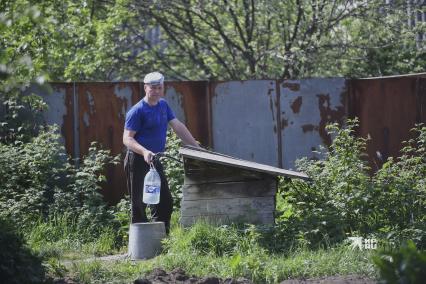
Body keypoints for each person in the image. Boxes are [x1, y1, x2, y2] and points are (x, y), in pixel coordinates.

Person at [123, 71, 199, 234]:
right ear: (145, 88)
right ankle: (140, 247)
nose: (156, 91)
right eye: (153, 88)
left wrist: (195, 147)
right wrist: (144, 151)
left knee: (164, 201)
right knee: (139, 204)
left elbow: (177, 126)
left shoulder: (163, 105)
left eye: (159, 87)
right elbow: (127, 139)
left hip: (154, 160)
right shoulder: (137, 111)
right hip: (137, 160)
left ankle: (160, 239)